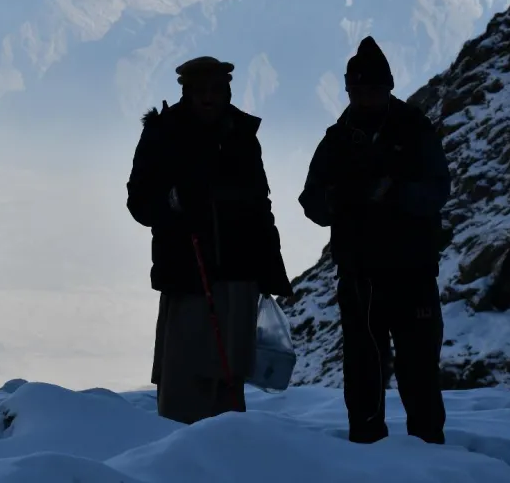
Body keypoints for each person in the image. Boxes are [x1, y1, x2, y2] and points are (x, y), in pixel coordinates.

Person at [298, 36, 451, 444]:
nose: (365, 97)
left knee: (418, 368)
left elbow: (438, 189)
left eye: (373, 89)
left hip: (412, 271)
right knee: (363, 367)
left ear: (388, 87)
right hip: (360, 275)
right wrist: (339, 200)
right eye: (358, 89)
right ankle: (366, 448)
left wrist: (396, 194)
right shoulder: (337, 140)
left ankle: (430, 451)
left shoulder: (414, 130)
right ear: (349, 90)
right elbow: (310, 201)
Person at [127, 56, 294, 424]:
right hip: (187, 272)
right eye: (200, 91)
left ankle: (226, 451)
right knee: (184, 373)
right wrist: (172, 203)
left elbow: (259, 204)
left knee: (227, 373)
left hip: (238, 274)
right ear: (186, 92)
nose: (208, 98)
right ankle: (180, 451)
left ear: (227, 92)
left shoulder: (241, 135)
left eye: (215, 90)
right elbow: (139, 201)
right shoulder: (164, 133)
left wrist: (271, 267)